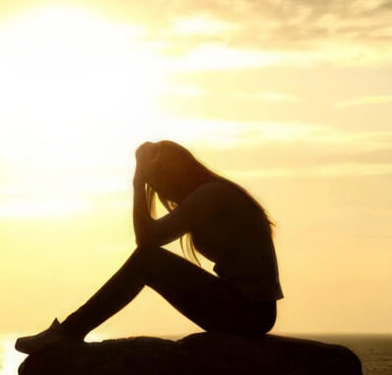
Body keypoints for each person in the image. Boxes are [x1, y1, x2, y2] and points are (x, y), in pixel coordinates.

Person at [15, 140, 282, 353]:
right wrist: (141, 180)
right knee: (148, 259)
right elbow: (147, 238)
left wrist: (137, 183)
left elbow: (146, 240)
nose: (161, 191)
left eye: (159, 182)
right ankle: (69, 331)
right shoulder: (209, 194)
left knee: (148, 260)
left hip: (248, 312)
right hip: (246, 310)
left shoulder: (212, 195)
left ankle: (68, 333)